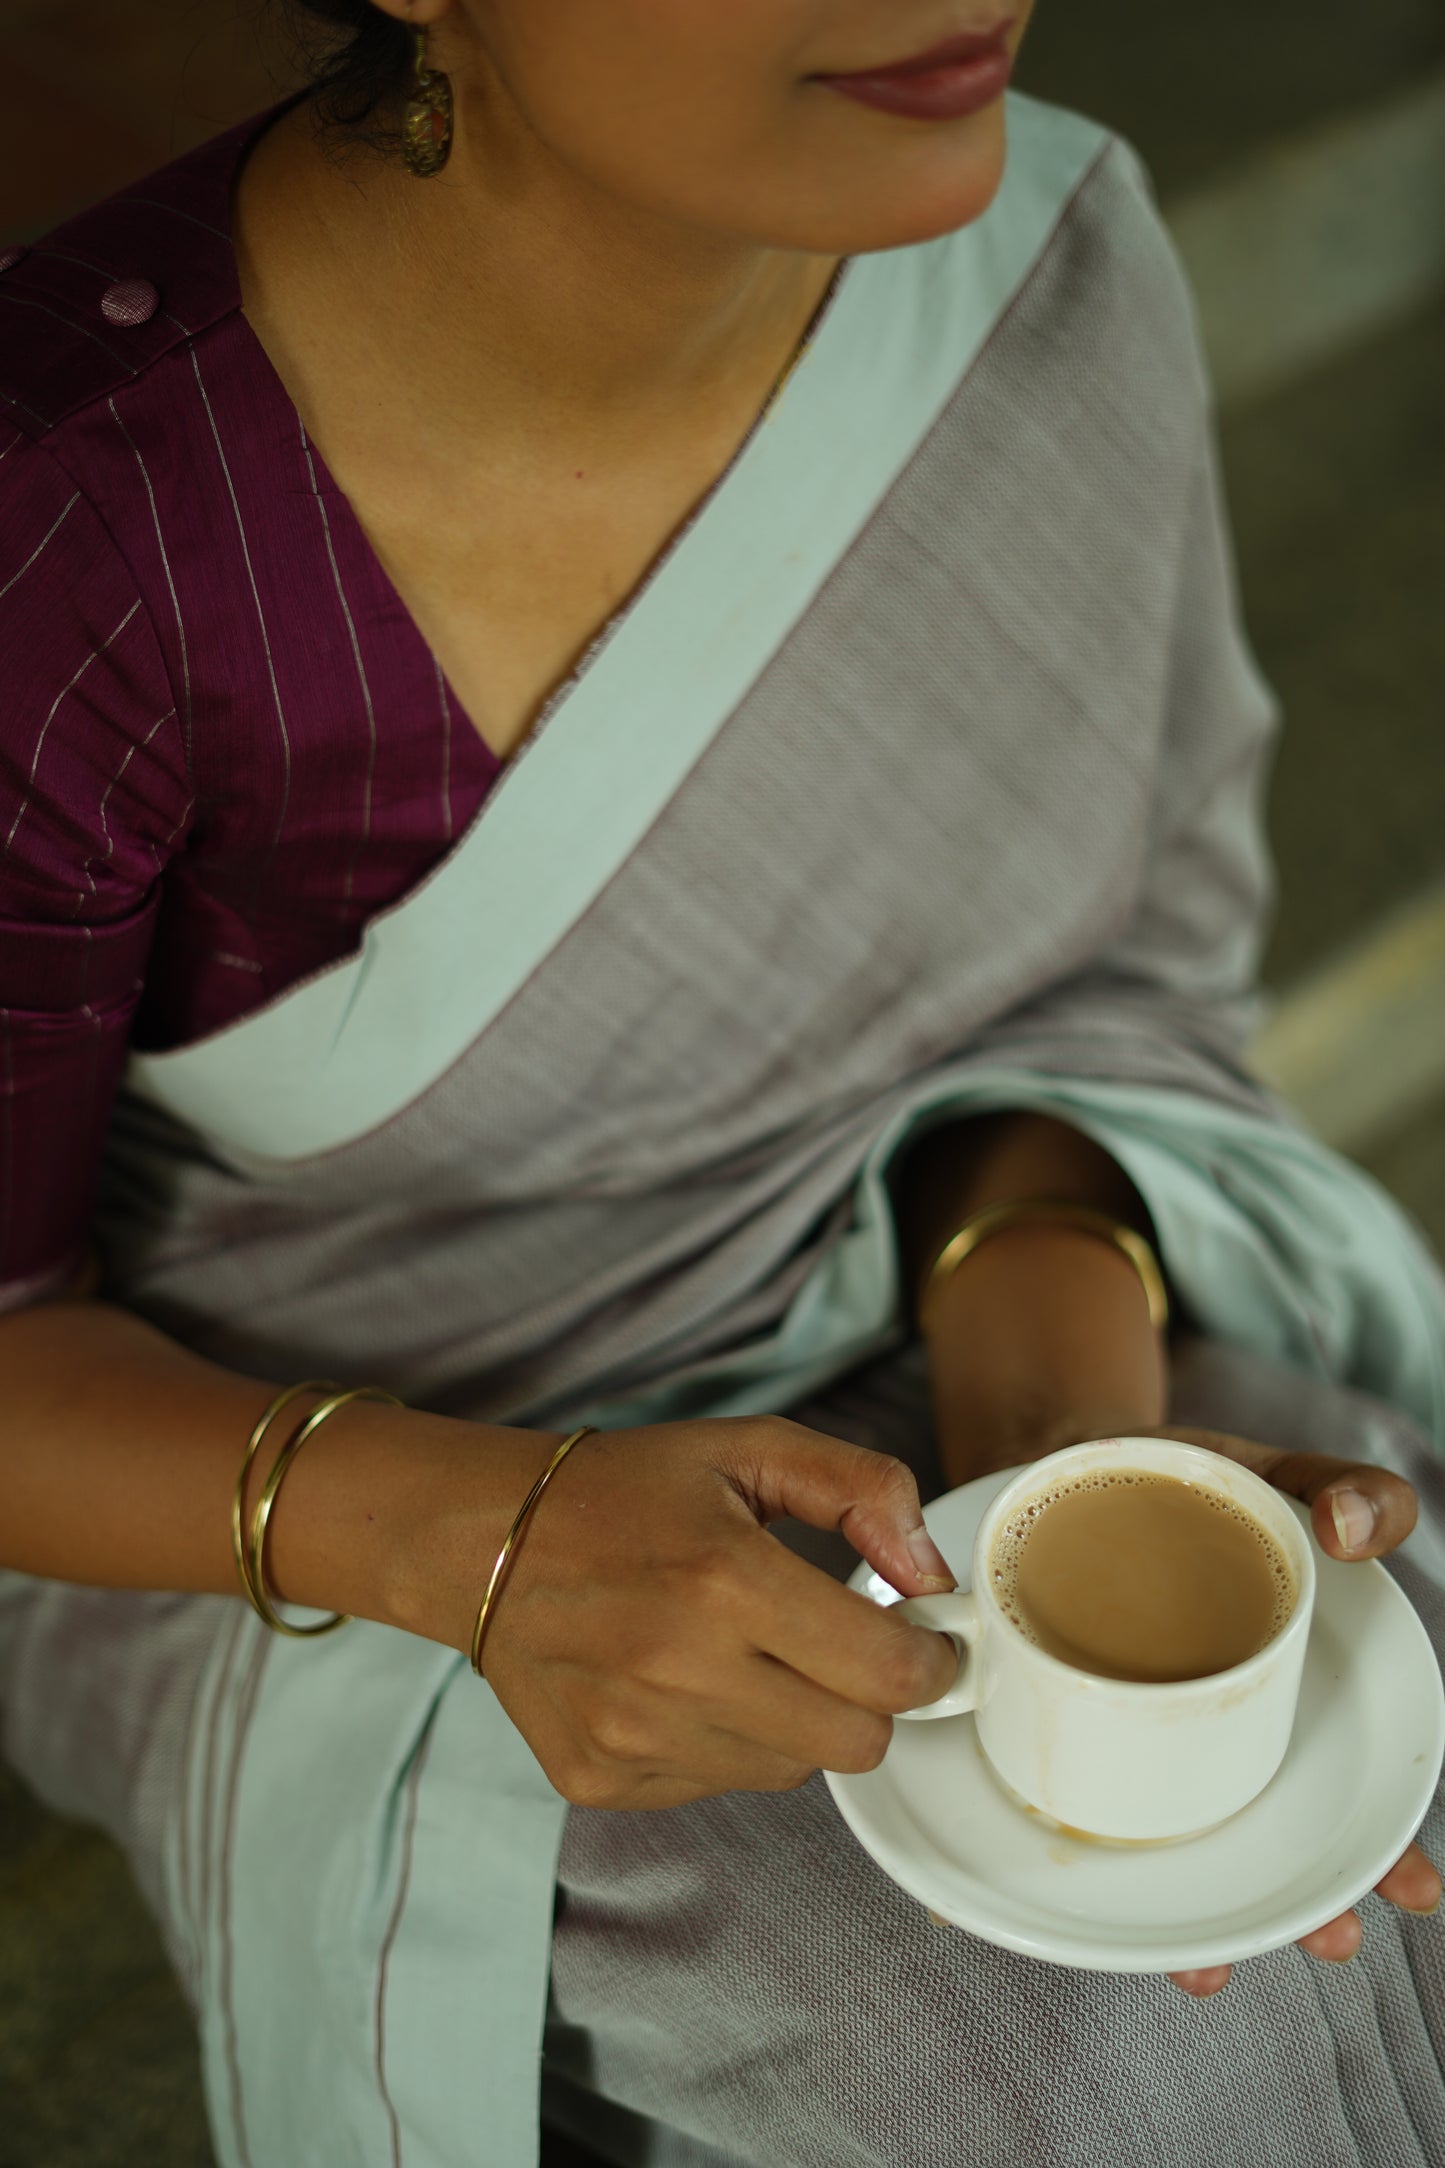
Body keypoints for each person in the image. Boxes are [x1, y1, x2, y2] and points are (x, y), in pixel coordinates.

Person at [1, 3, 1442, 2162]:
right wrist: (491, 1547)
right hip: (302, 1461)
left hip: (946, 1307)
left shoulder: (1053, 263)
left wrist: (1055, 1482)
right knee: (1113, 2061)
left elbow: (1099, 991)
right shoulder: (74, 524)